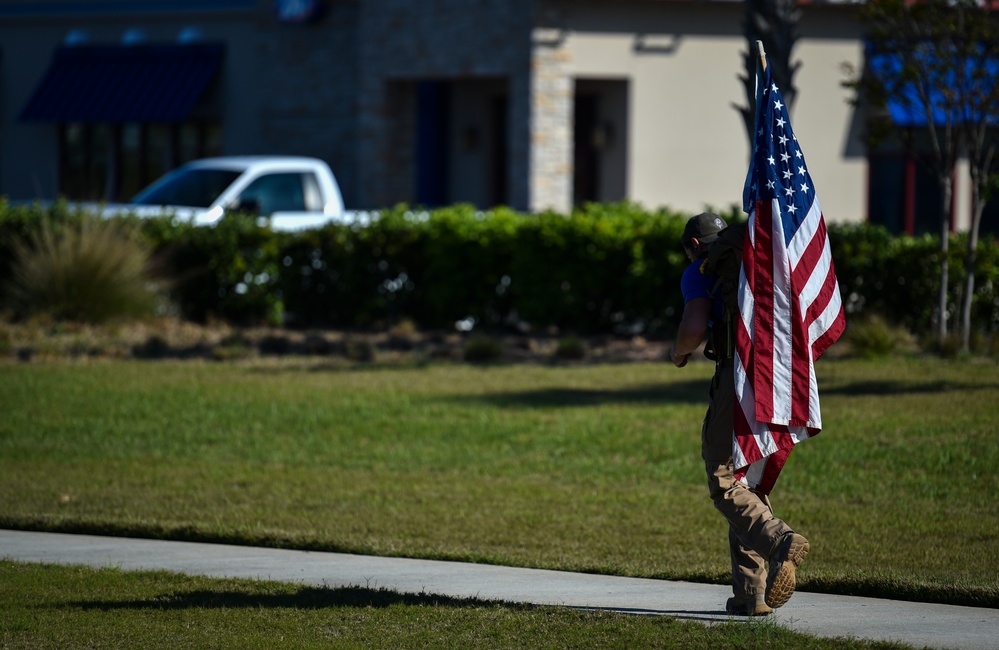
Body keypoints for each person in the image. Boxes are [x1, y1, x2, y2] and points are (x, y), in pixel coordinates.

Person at [669, 212, 809, 617]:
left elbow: (694, 325)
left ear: (696, 245)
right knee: (748, 482)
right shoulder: (755, 262)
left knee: (724, 479)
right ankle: (751, 595)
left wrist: (678, 352)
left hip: (739, 375)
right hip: (780, 376)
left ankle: (780, 539)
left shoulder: (701, 269)